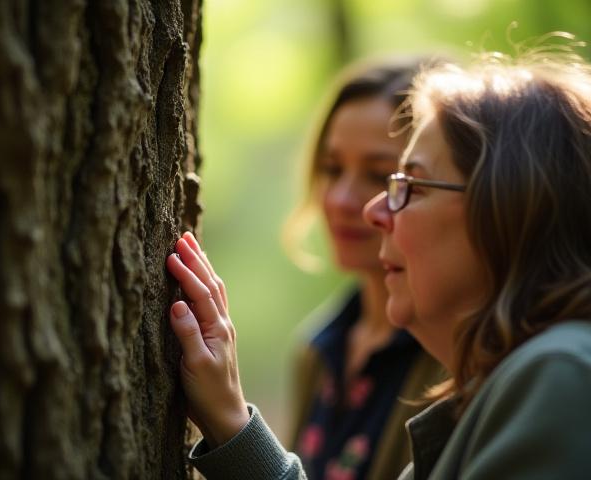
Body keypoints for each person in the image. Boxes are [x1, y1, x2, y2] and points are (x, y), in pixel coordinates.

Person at [166, 36, 591, 480]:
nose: (366, 207)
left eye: (412, 186)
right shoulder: (483, 389)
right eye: (332, 169)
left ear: (510, 211)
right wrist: (230, 423)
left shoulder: (561, 373)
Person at [282, 58, 445, 480]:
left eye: (380, 176)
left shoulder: (458, 365)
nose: (340, 199)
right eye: (333, 168)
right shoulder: (316, 350)